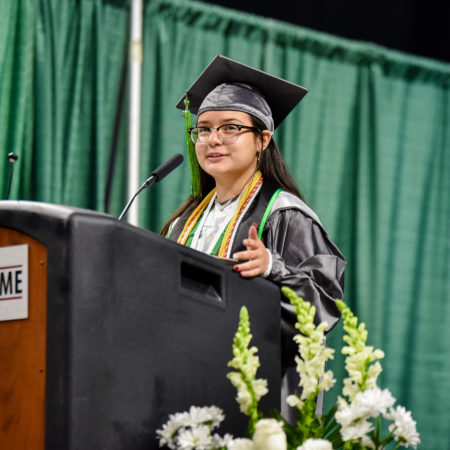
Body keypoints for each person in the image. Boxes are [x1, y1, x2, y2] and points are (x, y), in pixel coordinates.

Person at [161, 55, 346, 416]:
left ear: (263, 139)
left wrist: (273, 269)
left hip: (259, 399)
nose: (213, 139)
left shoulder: (285, 215)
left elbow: (325, 304)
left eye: (230, 128)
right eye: (203, 129)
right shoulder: (183, 224)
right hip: (187, 387)